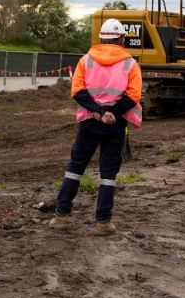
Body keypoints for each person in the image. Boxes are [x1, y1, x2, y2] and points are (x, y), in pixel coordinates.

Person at [49, 18, 142, 236]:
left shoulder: (85, 61)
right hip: (115, 124)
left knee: (75, 168)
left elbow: (78, 91)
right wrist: (111, 113)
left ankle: (61, 217)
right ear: (121, 38)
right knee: (108, 174)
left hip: (89, 122)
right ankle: (103, 223)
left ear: (101, 38)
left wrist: (98, 112)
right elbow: (133, 95)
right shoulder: (130, 63)